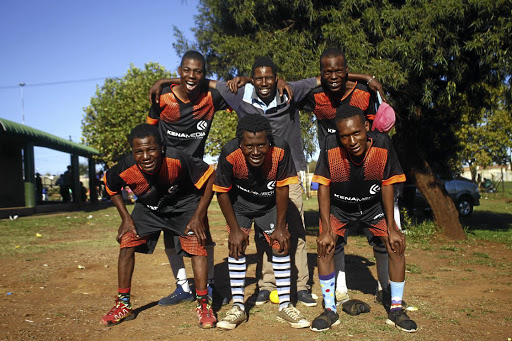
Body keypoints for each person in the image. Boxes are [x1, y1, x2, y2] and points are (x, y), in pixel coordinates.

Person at [310, 105, 417, 332]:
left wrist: (392, 227)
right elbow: (323, 186)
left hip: (372, 206)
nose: (351, 141)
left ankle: (396, 308)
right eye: (344, 136)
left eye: (356, 133)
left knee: (395, 245)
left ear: (367, 127)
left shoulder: (382, 144)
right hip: (339, 207)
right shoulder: (330, 146)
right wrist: (326, 229)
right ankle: (330, 309)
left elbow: (388, 184)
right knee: (325, 247)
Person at [100, 124, 217, 328]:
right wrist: (125, 218)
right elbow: (111, 187)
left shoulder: (177, 158)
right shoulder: (125, 167)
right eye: (139, 151)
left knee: (196, 244)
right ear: (133, 152)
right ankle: (123, 305)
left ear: (161, 148)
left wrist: (199, 215)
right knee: (127, 241)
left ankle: (203, 304)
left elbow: (210, 177)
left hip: (184, 205)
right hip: (150, 207)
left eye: (151, 149)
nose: (146, 156)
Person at [298, 47, 390, 307]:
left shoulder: (364, 93)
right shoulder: (315, 96)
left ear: (348, 71)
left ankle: (385, 286)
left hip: (368, 170)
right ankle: (340, 290)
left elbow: (377, 128)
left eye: (339, 70)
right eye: (328, 72)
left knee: (382, 238)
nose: (334, 76)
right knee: (333, 237)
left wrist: (366, 79)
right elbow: (293, 90)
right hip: (335, 170)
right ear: (321, 74)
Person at [147, 51, 230, 306]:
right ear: (180, 70)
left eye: (198, 71)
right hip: (164, 176)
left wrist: (166, 79)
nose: (191, 76)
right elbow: (149, 134)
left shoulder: (211, 97)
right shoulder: (163, 97)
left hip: (195, 176)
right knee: (170, 234)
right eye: (186, 70)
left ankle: (211, 285)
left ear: (204, 74)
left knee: (200, 230)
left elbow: (233, 89)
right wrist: (163, 82)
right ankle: (182, 286)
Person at [214, 115, 310, 330]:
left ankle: (286, 306)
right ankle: (238, 306)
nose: (255, 152)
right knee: (237, 247)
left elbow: (282, 187)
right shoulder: (230, 153)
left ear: (270, 141)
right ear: (240, 143)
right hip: (239, 205)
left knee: (281, 246)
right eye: (249, 146)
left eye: (261, 145)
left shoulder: (281, 150)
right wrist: (235, 229)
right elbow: (221, 192)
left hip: (270, 205)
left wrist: (280, 226)